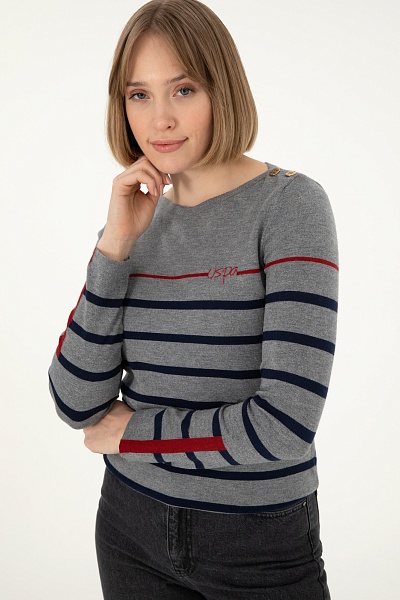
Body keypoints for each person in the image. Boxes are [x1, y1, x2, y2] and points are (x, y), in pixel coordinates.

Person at [48, 0, 338, 598]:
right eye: (139, 95)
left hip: (255, 542)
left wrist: (133, 434)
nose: (160, 119)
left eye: (183, 89)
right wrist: (115, 246)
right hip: (129, 527)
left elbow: (284, 425)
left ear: (221, 89)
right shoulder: (132, 223)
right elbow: (75, 403)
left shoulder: (289, 206)